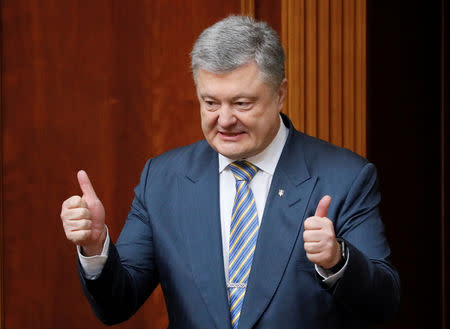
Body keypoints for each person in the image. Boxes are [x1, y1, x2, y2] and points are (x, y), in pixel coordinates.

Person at [60, 15, 400, 329]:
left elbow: (384, 305)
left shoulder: (345, 176)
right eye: (210, 103)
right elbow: (117, 305)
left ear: (280, 93)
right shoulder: (163, 179)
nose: (224, 120)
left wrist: (337, 260)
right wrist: (95, 247)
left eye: (242, 104)